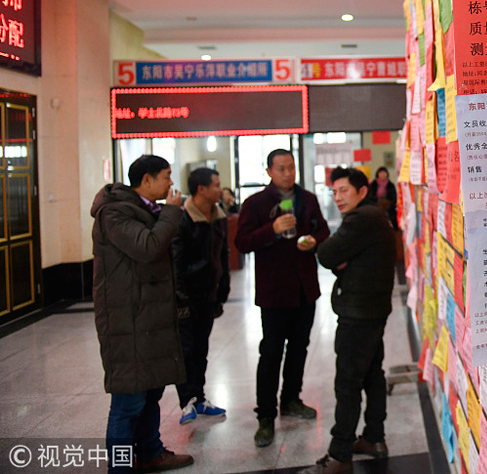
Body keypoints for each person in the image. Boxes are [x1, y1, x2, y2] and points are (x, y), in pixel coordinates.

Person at [92, 155, 193, 473]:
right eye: (166, 176)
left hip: (150, 320)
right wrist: (172, 213)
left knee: (151, 392)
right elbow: (147, 247)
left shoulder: (147, 209)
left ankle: (150, 453)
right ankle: (119, 467)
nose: (171, 183)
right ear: (146, 180)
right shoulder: (114, 212)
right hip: (127, 321)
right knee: (128, 402)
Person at [300, 167, 397, 474]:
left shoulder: (360, 219)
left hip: (359, 312)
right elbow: (338, 257)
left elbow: (327, 255)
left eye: (344, 190)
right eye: (334, 192)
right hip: (373, 308)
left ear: (362, 191)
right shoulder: (374, 216)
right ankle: (374, 438)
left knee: (348, 382)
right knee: (372, 375)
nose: (338, 198)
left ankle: (339, 455)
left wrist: (339, 257)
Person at [236, 149, 331, 448]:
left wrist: (314, 240)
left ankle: (291, 399)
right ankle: (265, 415)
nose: (288, 173)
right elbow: (242, 242)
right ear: (269, 172)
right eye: (281, 168)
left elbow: (323, 230)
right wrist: (272, 230)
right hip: (274, 291)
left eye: (291, 167)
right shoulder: (255, 204)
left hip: (304, 288)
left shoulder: (308, 199)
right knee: (271, 352)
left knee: (300, 347)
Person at [172, 167, 230, 425]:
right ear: (201, 189)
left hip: (208, 294)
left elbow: (223, 254)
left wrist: (223, 287)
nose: (220, 189)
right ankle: (187, 401)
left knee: (201, 348)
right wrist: (180, 296)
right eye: (216, 185)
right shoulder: (182, 219)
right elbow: (176, 262)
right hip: (186, 297)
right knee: (185, 349)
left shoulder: (218, 216)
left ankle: (200, 397)